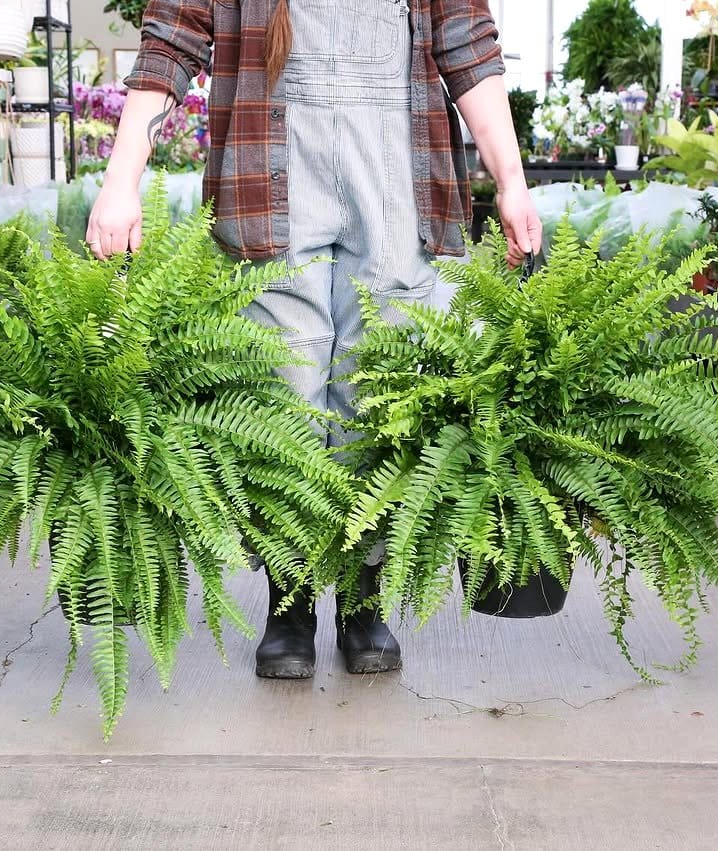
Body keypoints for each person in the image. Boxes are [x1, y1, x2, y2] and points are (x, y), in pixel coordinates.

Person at [86, 0, 543, 680]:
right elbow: (173, 36)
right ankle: (291, 596)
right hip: (273, 158)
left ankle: (364, 592)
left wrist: (511, 181)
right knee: (285, 387)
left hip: (395, 162)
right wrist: (122, 179)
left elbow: (465, 39)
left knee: (376, 383)